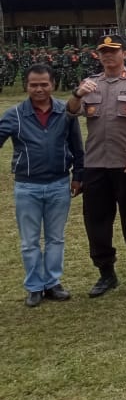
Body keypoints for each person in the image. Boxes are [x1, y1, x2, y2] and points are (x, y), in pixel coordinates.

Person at [67, 34, 126, 297]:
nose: (108, 55)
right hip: (95, 165)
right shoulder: (90, 84)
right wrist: (76, 94)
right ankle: (106, 273)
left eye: (113, 51)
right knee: (96, 222)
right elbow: (71, 112)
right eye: (103, 51)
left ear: (125, 54)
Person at [0, 64, 83, 306]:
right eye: (34, 85)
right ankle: (35, 286)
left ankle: (53, 283)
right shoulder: (14, 115)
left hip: (59, 184)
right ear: (26, 86)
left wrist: (79, 175)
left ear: (53, 85)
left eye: (44, 84)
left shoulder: (66, 112)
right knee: (29, 241)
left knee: (56, 238)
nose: (39, 89)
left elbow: (77, 147)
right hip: (27, 187)